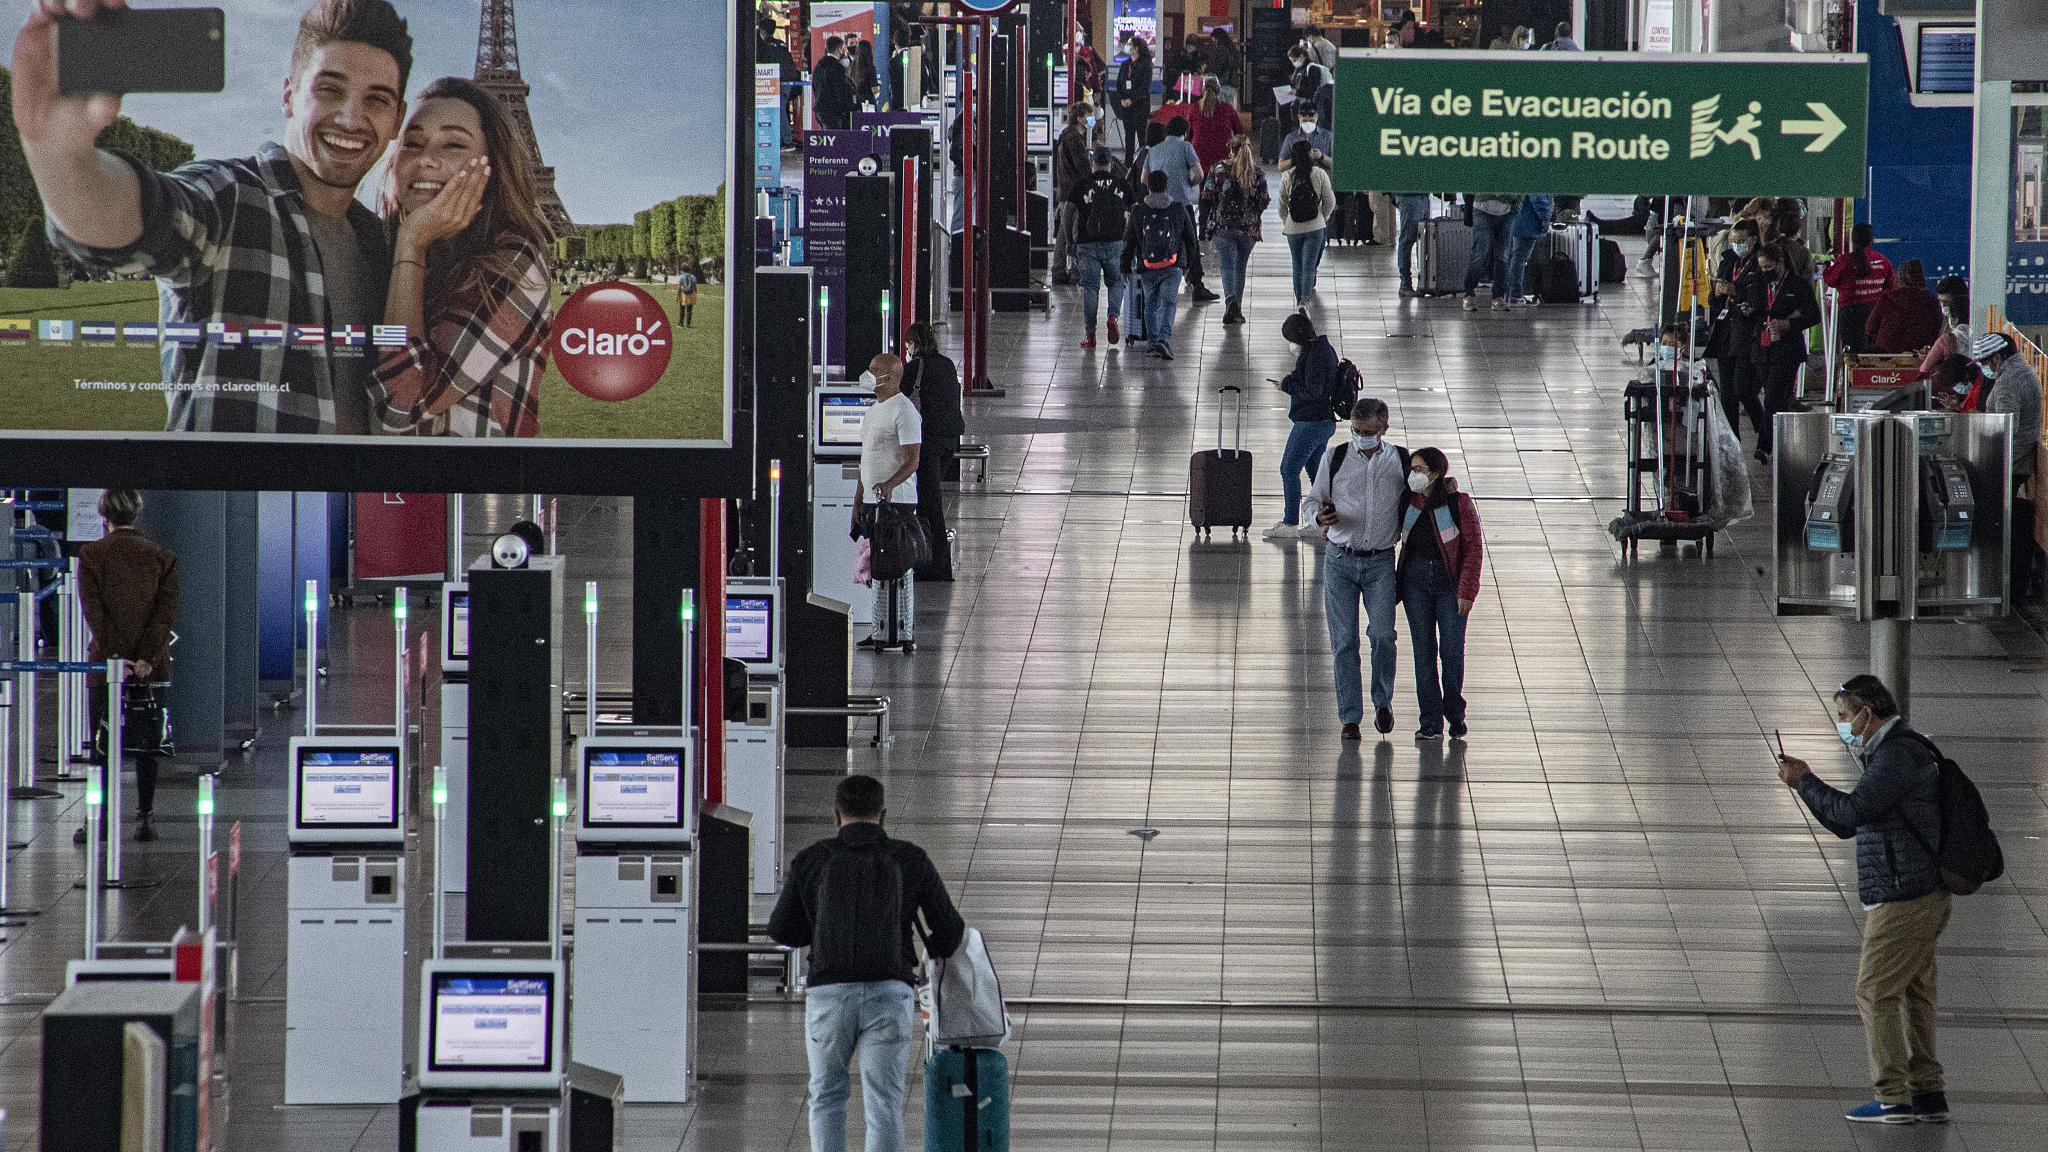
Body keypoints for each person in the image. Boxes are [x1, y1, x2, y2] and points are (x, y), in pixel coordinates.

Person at [24, 0, 412, 435]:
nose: (350, 117)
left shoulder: (382, 246)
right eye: (330, 89)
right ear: (289, 96)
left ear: (397, 118)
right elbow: (143, 218)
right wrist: (61, 156)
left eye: (376, 99)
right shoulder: (230, 195)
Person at [1775, 676, 1952, 1126]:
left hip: (1903, 895)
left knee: (1874, 991)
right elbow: (1854, 820)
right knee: (1913, 990)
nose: (1842, 726)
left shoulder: (1896, 756)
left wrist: (1806, 781)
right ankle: (1927, 1094)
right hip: (1919, 889)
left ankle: (1893, 1097)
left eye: (1843, 717)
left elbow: (1851, 816)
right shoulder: (1900, 752)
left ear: (1867, 713)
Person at [768, 774, 966, 1152]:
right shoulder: (910, 859)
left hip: (828, 992)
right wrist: (932, 949)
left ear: (836, 815)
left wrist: (823, 927)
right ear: (884, 815)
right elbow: (950, 930)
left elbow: (781, 929)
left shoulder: (812, 859)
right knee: (885, 1105)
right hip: (890, 991)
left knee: (826, 1096)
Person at [370, 76, 552, 437]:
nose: (427, 160)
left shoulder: (516, 264)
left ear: (493, 164)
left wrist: (411, 245)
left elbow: (401, 404)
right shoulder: (376, 244)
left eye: (454, 145)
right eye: (413, 143)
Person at [76, 489, 179, 844]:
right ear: (137, 514)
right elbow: (163, 617)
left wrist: (117, 660)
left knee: (102, 745)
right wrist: (145, 660)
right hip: (153, 668)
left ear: (104, 516)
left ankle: (98, 820)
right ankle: (146, 817)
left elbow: (96, 616)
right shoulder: (163, 558)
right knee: (149, 743)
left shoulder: (91, 556)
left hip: (105, 668)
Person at [1311, 397, 1410, 739]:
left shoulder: (1399, 460)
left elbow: (1425, 494)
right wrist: (1318, 517)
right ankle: (1350, 718)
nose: (1361, 437)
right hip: (1339, 559)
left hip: (1381, 561)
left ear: (1385, 428)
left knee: (1383, 635)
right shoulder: (1335, 457)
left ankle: (1382, 700)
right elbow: (1313, 500)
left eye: (1369, 432)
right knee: (1344, 642)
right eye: (1355, 431)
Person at [1398, 448, 1483, 741]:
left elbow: (1473, 548)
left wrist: (1467, 590)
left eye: (1420, 470)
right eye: (1412, 469)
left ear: (1436, 473)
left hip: (1450, 584)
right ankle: (1430, 721)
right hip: (1415, 583)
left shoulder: (1458, 503)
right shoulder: (1409, 502)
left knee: (1451, 651)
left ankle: (1454, 709)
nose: (1414, 475)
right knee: (1423, 652)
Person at [855, 354, 922, 647]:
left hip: (897, 503)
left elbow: (912, 460)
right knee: (876, 566)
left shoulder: (904, 411)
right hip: (873, 501)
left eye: (872, 370)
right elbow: (865, 460)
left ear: (891, 376)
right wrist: (859, 498)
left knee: (896, 563)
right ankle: (880, 628)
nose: (867, 374)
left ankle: (902, 630)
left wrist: (890, 485)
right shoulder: (873, 411)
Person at [1971, 332, 2042, 597]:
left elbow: (2005, 428)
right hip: (2020, 462)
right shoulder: (2023, 371)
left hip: (2011, 463)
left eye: (1985, 362)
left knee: (1998, 522)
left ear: (1998, 357)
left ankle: (2000, 586)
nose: (1984, 368)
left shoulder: (2008, 383)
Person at [1739, 240, 1819, 461]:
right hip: (1763, 347)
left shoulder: (1798, 285)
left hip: (1787, 349)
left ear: (1780, 262)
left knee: (1773, 397)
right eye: (1762, 268)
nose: (1765, 272)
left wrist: (1789, 324)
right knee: (1773, 399)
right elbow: (1753, 306)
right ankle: (1782, 438)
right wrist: (1748, 310)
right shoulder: (1757, 283)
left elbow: (1814, 316)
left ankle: (1764, 447)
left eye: (1769, 267)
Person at [1266, 312, 1339, 538]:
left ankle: (1289, 523)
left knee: (1288, 469)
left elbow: (1312, 391)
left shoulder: (1316, 356)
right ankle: (1323, 522)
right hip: (1323, 420)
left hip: (1310, 422)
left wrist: (1287, 385)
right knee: (1317, 474)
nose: (1290, 345)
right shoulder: (1321, 350)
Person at [902, 324, 961, 581]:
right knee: (930, 497)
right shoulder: (947, 364)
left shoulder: (915, 368)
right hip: (950, 439)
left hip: (929, 441)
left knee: (930, 503)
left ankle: (936, 566)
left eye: (907, 347)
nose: (907, 352)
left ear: (914, 345)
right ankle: (930, 561)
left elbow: (900, 399)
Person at [1123, 169, 1197, 360]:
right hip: (1172, 265)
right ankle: (1164, 339)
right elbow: (1191, 239)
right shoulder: (1177, 208)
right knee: (1169, 303)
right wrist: (1190, 264)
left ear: (1148, 186)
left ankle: (1153, 343)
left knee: (1150, 304)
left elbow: (1129, 241)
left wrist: (1125, 267)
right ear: (1166, 186)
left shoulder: (1138, 210)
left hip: (1148, 266)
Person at [1709, 218, 1767, 449]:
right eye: (1734, 241)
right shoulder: (1729, 261)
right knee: (1727, 394)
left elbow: (1761, 298)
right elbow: (1716, 298)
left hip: (1747, 333)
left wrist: (1737, 291)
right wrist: (1718, 293)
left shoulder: (1759, 264)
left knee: (1743, 388)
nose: (1737, 245)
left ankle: (1763, 431)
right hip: (1726, 331)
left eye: (1741, 241)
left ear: (1752, 240)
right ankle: (1731, 442)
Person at [1143, 116, 1214, 303]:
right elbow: (1199, 174)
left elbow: (1144, 179)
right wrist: (1189, 183)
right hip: (1181, 205)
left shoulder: (1154, 150)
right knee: (1191, 243)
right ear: (1185, 132)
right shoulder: (1186, 147)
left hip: (1157, 204)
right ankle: (1196, 282)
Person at [1204, 135, 1266, 325]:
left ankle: (1230, 301)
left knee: (1227, 265)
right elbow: (1263, 200)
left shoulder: (1217, 169)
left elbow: (1207, 196)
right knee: (1240, 267)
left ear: (1230, 149)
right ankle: (1236, 308)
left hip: (1222, 227)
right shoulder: (1257, 173)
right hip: (1248, 229)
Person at [1073, 147, 1128, 349]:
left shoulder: (1081, 185)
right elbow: (1132, 212)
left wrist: (1072, 240)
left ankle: (1091, 336)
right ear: (1111, 164)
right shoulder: (1121, 185)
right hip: (1115, 242)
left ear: (1092, 163)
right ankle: (1112, 316)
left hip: (1087, 243)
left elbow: (1070, 213)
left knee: (1091, 288)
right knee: (1116, 283)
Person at [1278, 140, 1336, 309]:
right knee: (1309, 266)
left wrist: (1287, 221)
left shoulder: (1287, 176)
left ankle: (1298, 302)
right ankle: (1305, 300)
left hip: (1293, 228)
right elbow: (1330, 201)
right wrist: (1322, 218)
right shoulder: (1319, 174)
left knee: (1297, 265)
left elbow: (1281, 205)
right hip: (1315, 227)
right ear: (1310, 154)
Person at [1823, 223, 1893, 354]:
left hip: (1850, 316)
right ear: (1871, 239)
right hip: (1875, 314)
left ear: (1852, 239)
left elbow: (1829, 279)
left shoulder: (1844, 261)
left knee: (1851, 358)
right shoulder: (1883, 261)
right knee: (1872, 355)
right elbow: (1889, 289)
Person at [1050, 103, 1095, 286]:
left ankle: (1059, 269)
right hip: (1074, 191)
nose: (1091, 118)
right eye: (1088, 115)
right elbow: (1083, 168)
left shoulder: (1065, 136)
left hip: (1065, 189)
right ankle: (1068, 270)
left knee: (1063, 231)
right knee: (1072, 232)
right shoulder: (1074, 139)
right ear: (1080, 118)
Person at [1864, 260, 1946, 355]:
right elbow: (1938, 330)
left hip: (1886, 357)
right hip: (1919, 356)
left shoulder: (1887, 298)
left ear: (1899, 278)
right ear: (1921, 278)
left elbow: (1870, 328)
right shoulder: (1931, 301)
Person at [1461, 193, 1522, 312]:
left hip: (1506, 209)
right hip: (1484, 208)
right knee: (1482, 252)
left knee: (1502, 255)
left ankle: (1498, 296)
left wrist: (1517, 204)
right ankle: (1469, 293)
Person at [1185, 77, 1244, 181]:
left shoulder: (1194, 109)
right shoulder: (1228, 109)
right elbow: (1240, 135)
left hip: (1199, 160)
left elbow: (1188, 137)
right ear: (1219, 90)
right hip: (1223, 159)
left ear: (1202, 91)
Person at [1502, 193, 1553, 307]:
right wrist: (1545, 217)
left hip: (1516, 219)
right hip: (1528, 221)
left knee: (1512, 258)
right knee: (1519, 258)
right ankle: (1515, 295)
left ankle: (1508, 294)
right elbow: (1538, 197)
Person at [1918, 275, 1971, 378]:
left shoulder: (1972, 322)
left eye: (1946, 302)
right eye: (1940, 301)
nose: (1943, 306)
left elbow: (1924, 371)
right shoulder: (1946, 320)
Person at [1114, 35, 1154, 165]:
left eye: (1130, 45)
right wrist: (1122, 99)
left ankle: (1143, 164)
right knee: (1129, 135)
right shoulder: (1125, 64)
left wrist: (1132, 99)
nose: (1128, 47)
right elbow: (1119, 84)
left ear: (1136, 48)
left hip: (1140, 105)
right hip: (1126, 105)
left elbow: (1144, 87)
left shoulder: (1146, 65)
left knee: (1142, 135)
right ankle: (1128, 163)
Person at [813, 35, 856, 129]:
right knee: (836, 141)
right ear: (840, 49)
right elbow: (840, 91)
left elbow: (815, 87)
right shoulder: (837, 67)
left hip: (820, 109)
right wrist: (847, 108)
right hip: (833, 112)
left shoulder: (818, 66)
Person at [1277, 101, 1333, 172]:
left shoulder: (1328, 136)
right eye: (1305, 121)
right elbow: (1281, 166)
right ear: (1299, 117)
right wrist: (1297, 158)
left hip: (1320, 180)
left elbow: (1338, 164)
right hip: (1298, 179)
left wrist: (1321, 157)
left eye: (1312, 121)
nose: (1308, 124)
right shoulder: (1291, 138)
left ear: (1317, 117)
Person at [1393, 192, 1430, 298]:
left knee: (1422, 240)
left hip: (1421, 195)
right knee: (1408, 240)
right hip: (1411, 196)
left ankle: (1421, 283)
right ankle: (1406, 285)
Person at [1288, 43, 1333, 126]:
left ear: (1302, 56)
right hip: (1300, 104)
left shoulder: (1312, 68)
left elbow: (1313, 90)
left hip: (1309, 106)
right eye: (1292, 61)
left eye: (1294, 60)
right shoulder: (1299, 69)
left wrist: (1297, 92)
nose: (1293, 63)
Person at [1208, 27, 1240, 106]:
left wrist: (1209, 73)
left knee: (1221, 110)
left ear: (1216, 38)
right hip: (1232, 84)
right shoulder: (1233, 48)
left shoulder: (1220, 49)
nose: (1213, 42)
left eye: (1214, 40)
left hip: (1222, 83)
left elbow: (1218, 67)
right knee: (1230, 109)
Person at [676, 264, 700, 328]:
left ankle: (681, 324)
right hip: (691, 293)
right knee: (689, 310)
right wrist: (695, 293)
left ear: (682, 270)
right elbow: (695, 286)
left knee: (682, 309)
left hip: (683, 294)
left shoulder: (681, 277)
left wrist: (677, 295)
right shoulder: (693, 277)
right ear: (689, 270)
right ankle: (688, 324)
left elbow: (679, 287)